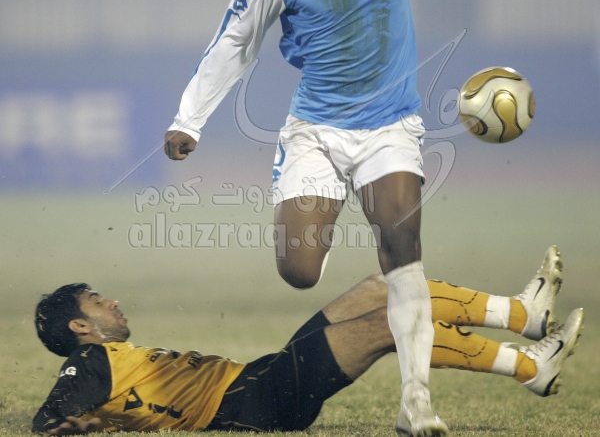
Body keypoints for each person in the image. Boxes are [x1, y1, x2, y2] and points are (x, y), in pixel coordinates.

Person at [163, 0, 518, 436]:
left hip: (390, 129)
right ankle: (320, 228)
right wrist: (189, 120)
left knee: (403, 251)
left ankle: (415, 402)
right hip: (316, 134)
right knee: (299, 271)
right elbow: (233, 42)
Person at [33, 247, 583, 435]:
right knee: (387, 321)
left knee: (380, 288)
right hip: (252, 402)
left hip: (259, 378)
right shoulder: (89, 360)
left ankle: (523, 316)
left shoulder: (109, 358)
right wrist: (76, 423)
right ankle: (529, 367)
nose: (111, 302)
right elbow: (50, 417)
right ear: (79, 326)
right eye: (96, 301)